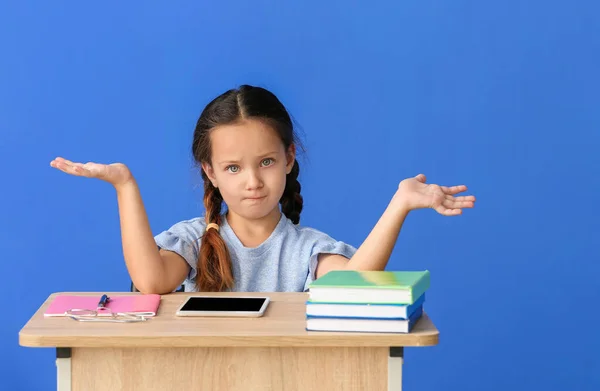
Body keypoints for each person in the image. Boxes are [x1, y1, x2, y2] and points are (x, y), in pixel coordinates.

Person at [50, 85, 476, 295]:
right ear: (210, 172)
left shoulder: (307, 250)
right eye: (233, 167)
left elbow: (352, 285)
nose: (252, 181)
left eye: (266, 162)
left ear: (289, 159)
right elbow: (150, 281)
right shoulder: (193, 241)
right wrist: (125, 185)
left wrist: (399, 204)